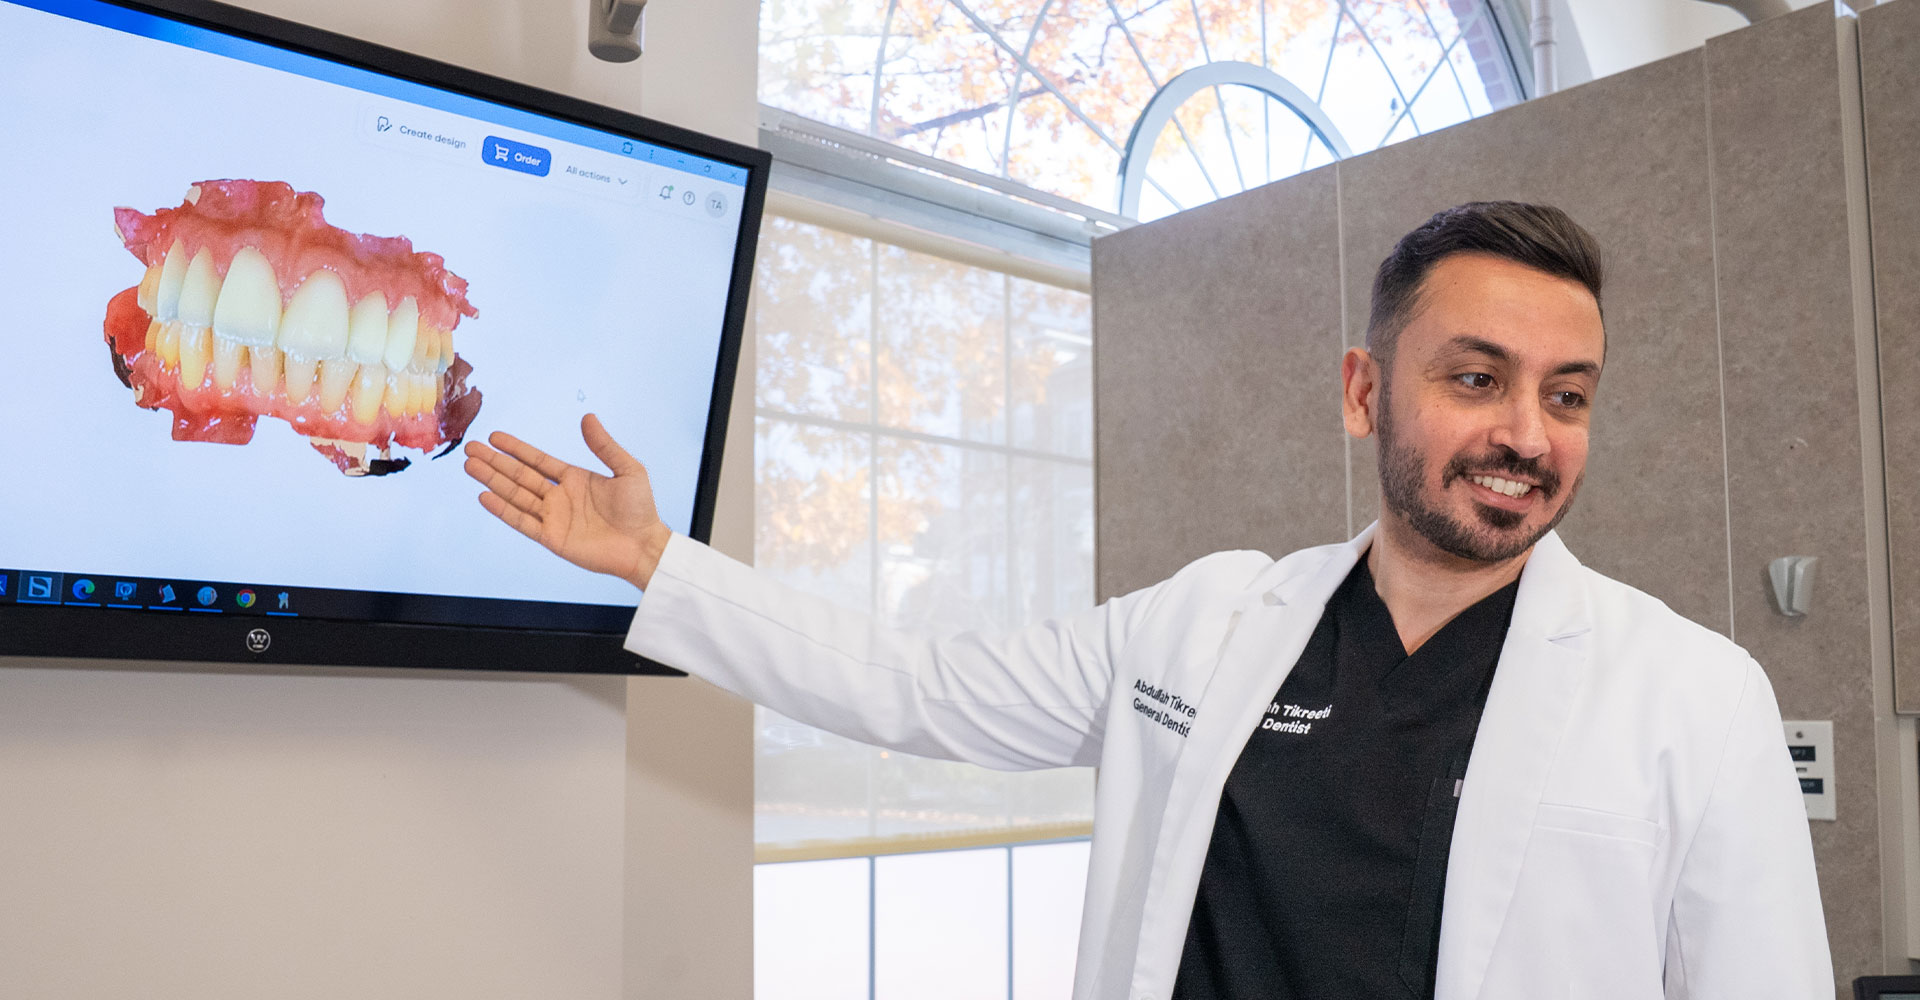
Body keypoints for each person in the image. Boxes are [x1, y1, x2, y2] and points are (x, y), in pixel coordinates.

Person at [462, 202, 1832, 999]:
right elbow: (920, 688)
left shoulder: (1694, 697)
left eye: (1567, 395)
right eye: (1476, 379)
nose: (1526, 433)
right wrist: (660, 564)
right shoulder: (1209, 622)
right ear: (1365, 391)